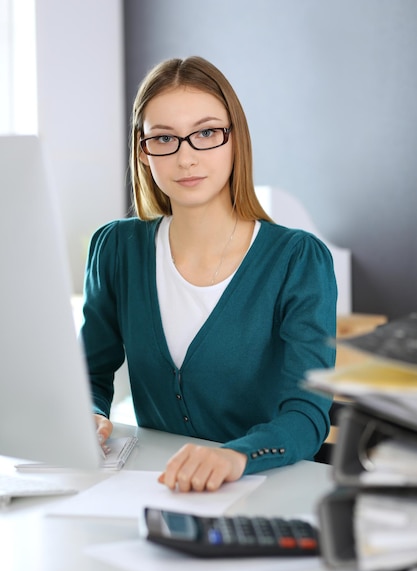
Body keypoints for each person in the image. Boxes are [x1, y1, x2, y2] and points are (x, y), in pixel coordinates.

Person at [81, 56, 337, 492]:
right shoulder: (116, 248)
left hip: (269, 491)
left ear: (235, 139)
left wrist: (237, 455)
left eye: (205, 133)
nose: (185, 158)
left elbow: (307, 413)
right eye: (163, 138)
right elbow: (89, 372)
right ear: (143, 153)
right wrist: (89, 415)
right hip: (160, 489)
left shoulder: (297, 259)